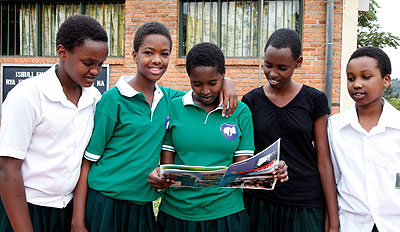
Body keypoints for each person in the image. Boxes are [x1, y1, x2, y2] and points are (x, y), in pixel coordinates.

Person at [71, 22, 238, 232]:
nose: (157, 60)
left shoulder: (170, 99)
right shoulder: (113, 100)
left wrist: (227, 81)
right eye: (148, 52)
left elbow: (202, 87)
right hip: (106, 201)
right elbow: (88, 161)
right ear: (134, 55)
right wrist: (77, 220)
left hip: (143, 205)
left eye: (164, 53)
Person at [148, 42, 288, 232]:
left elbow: (241, 172)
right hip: (177, 214)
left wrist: (269, 171)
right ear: (189, 78)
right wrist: (160, 176)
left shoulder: (240, 112)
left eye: (212, 83)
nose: (205, 90)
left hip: (226, 213)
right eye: (197, 84)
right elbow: (167, 168)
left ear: (223, 75)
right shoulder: (174, 107)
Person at [0, 15, 108, 232]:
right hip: (26, 209)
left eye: (100, 64)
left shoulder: (94, 98)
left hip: (68, 210)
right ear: (62, 52)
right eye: (88, 63)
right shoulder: (28, 95)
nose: (95, 71)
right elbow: (7, 169)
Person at [242, 28, 339, 232]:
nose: (273, 73)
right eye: (268, 65)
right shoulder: (251, 101)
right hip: (261, 202)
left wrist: (333, 216)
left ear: (299, 62)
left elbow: (323, 160)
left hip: (304, 202)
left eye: (282, 67)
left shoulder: (315, 100)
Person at [328, 46, 400, 232]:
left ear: (386, 80)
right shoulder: (335, 127)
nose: (356, 84)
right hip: (352, 224)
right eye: (351, 78)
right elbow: (333, 179)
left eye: (365, 77)